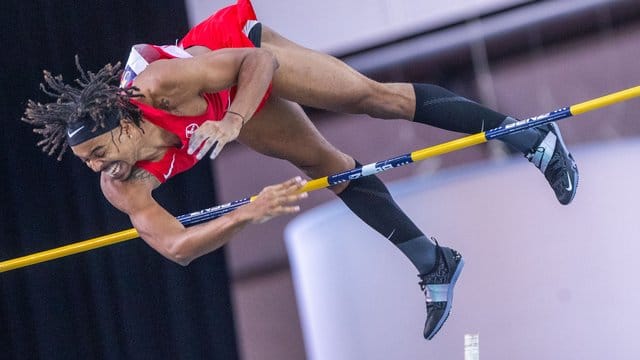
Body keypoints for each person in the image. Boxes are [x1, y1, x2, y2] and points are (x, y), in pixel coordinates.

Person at [22, 0, 578, 340]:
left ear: (121, 122)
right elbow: (175, 247)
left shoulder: (160, 87)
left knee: (370, 97)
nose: (97, 168)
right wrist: (248, 213)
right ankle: (434, 261)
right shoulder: (123, 183)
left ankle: (533, 136)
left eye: (96, 153)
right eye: (89, 165)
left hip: (233, 59)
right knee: (327, 167)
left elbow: (257, 64)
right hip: (219, 109)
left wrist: (236, 118)